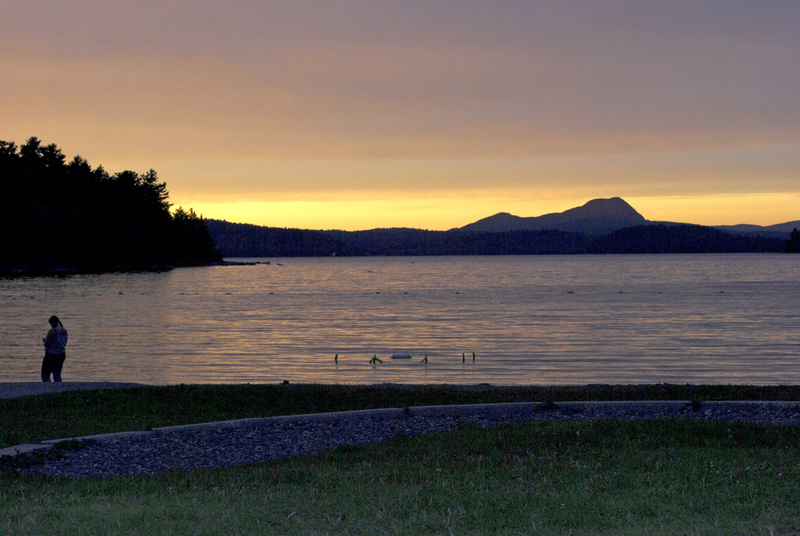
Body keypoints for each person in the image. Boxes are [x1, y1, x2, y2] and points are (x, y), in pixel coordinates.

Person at [42, 315, 68, 382]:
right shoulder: (64, 331)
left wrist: (45, 341)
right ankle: (58, 389)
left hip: (51, 355)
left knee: (45, 374)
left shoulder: (52, 331)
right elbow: (64, 343)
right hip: (61, 354)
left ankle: (48, 389)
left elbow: (47, 344)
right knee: (57, 374)